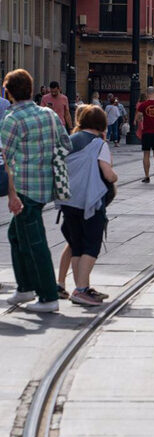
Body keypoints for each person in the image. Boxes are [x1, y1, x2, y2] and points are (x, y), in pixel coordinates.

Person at [1, 69, 72, 312]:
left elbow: (6, 159)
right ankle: (25, 288)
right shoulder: (48, 114)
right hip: (45, 185)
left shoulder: (12, 119)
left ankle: (48, 296)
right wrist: (48, 161)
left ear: (9, 93)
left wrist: (12, 194)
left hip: (24, 188)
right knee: (15, 234)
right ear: (31, 90)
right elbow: (66, 144)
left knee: (35, 241)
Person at [56, 105, 118, 306]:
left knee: (77, 246)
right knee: (91, 245)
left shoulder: (69, 140)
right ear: (102, 124)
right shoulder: (99, 144)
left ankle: (81, 287)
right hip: (89, 202)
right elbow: (107, 173)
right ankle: (81, 290)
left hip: (68, 201)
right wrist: (115, 177)